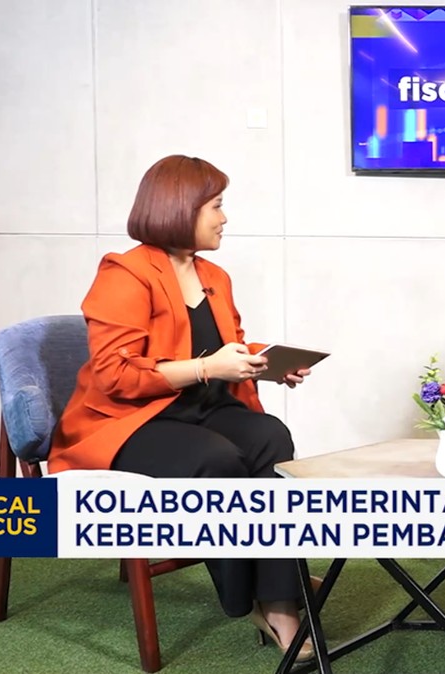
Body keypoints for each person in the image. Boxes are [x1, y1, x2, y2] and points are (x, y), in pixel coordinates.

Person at [48, 155, 316, 660]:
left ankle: (280, 595)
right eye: (216, 206)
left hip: (202, 408)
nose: (224, 217)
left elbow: (221, 345)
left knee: (271, 437)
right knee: (216, 460)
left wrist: (265, 361)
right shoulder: (124, 273)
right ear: (180, 208)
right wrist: (209, 367)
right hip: (131, 420)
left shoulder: (214, 274)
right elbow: (115, 374)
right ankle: (258, 596)